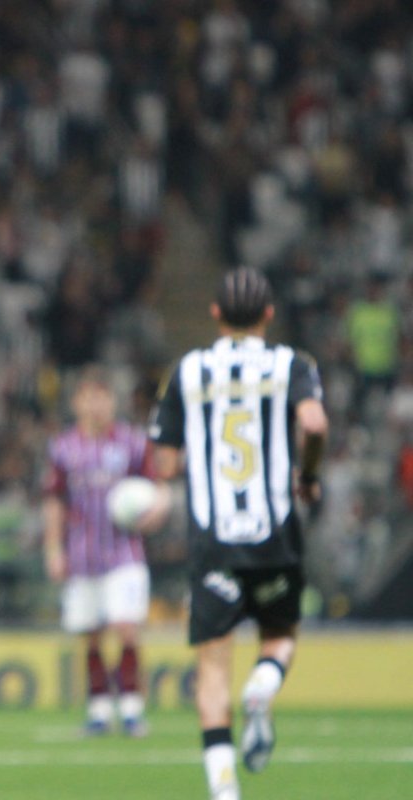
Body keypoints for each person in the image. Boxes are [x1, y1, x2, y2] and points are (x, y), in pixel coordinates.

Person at [149, 267, 328, 800]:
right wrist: (309, 475)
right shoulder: (292, 364)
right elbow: (314, 424)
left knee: (211, 670)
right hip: (274, 535)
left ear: (215, 314)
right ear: (269, 315)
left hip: (213, 543)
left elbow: (165, 463)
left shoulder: (187, 371)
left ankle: (225, 789)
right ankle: (264, 684)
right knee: (280, 637)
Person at [43, 365, 168, 738]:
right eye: (88, 397)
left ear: (112, 401)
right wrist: (53, 548)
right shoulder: (63, 447)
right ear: (77, 402)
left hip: (124, 554)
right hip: (82, 555)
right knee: (91, 634)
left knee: (126, 627)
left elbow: (159, 487)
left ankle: (131, 708)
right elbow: (54, 501)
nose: (96, 404)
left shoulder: (132, 442)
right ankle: (98, 709)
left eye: (103, 397)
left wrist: (157, 510)